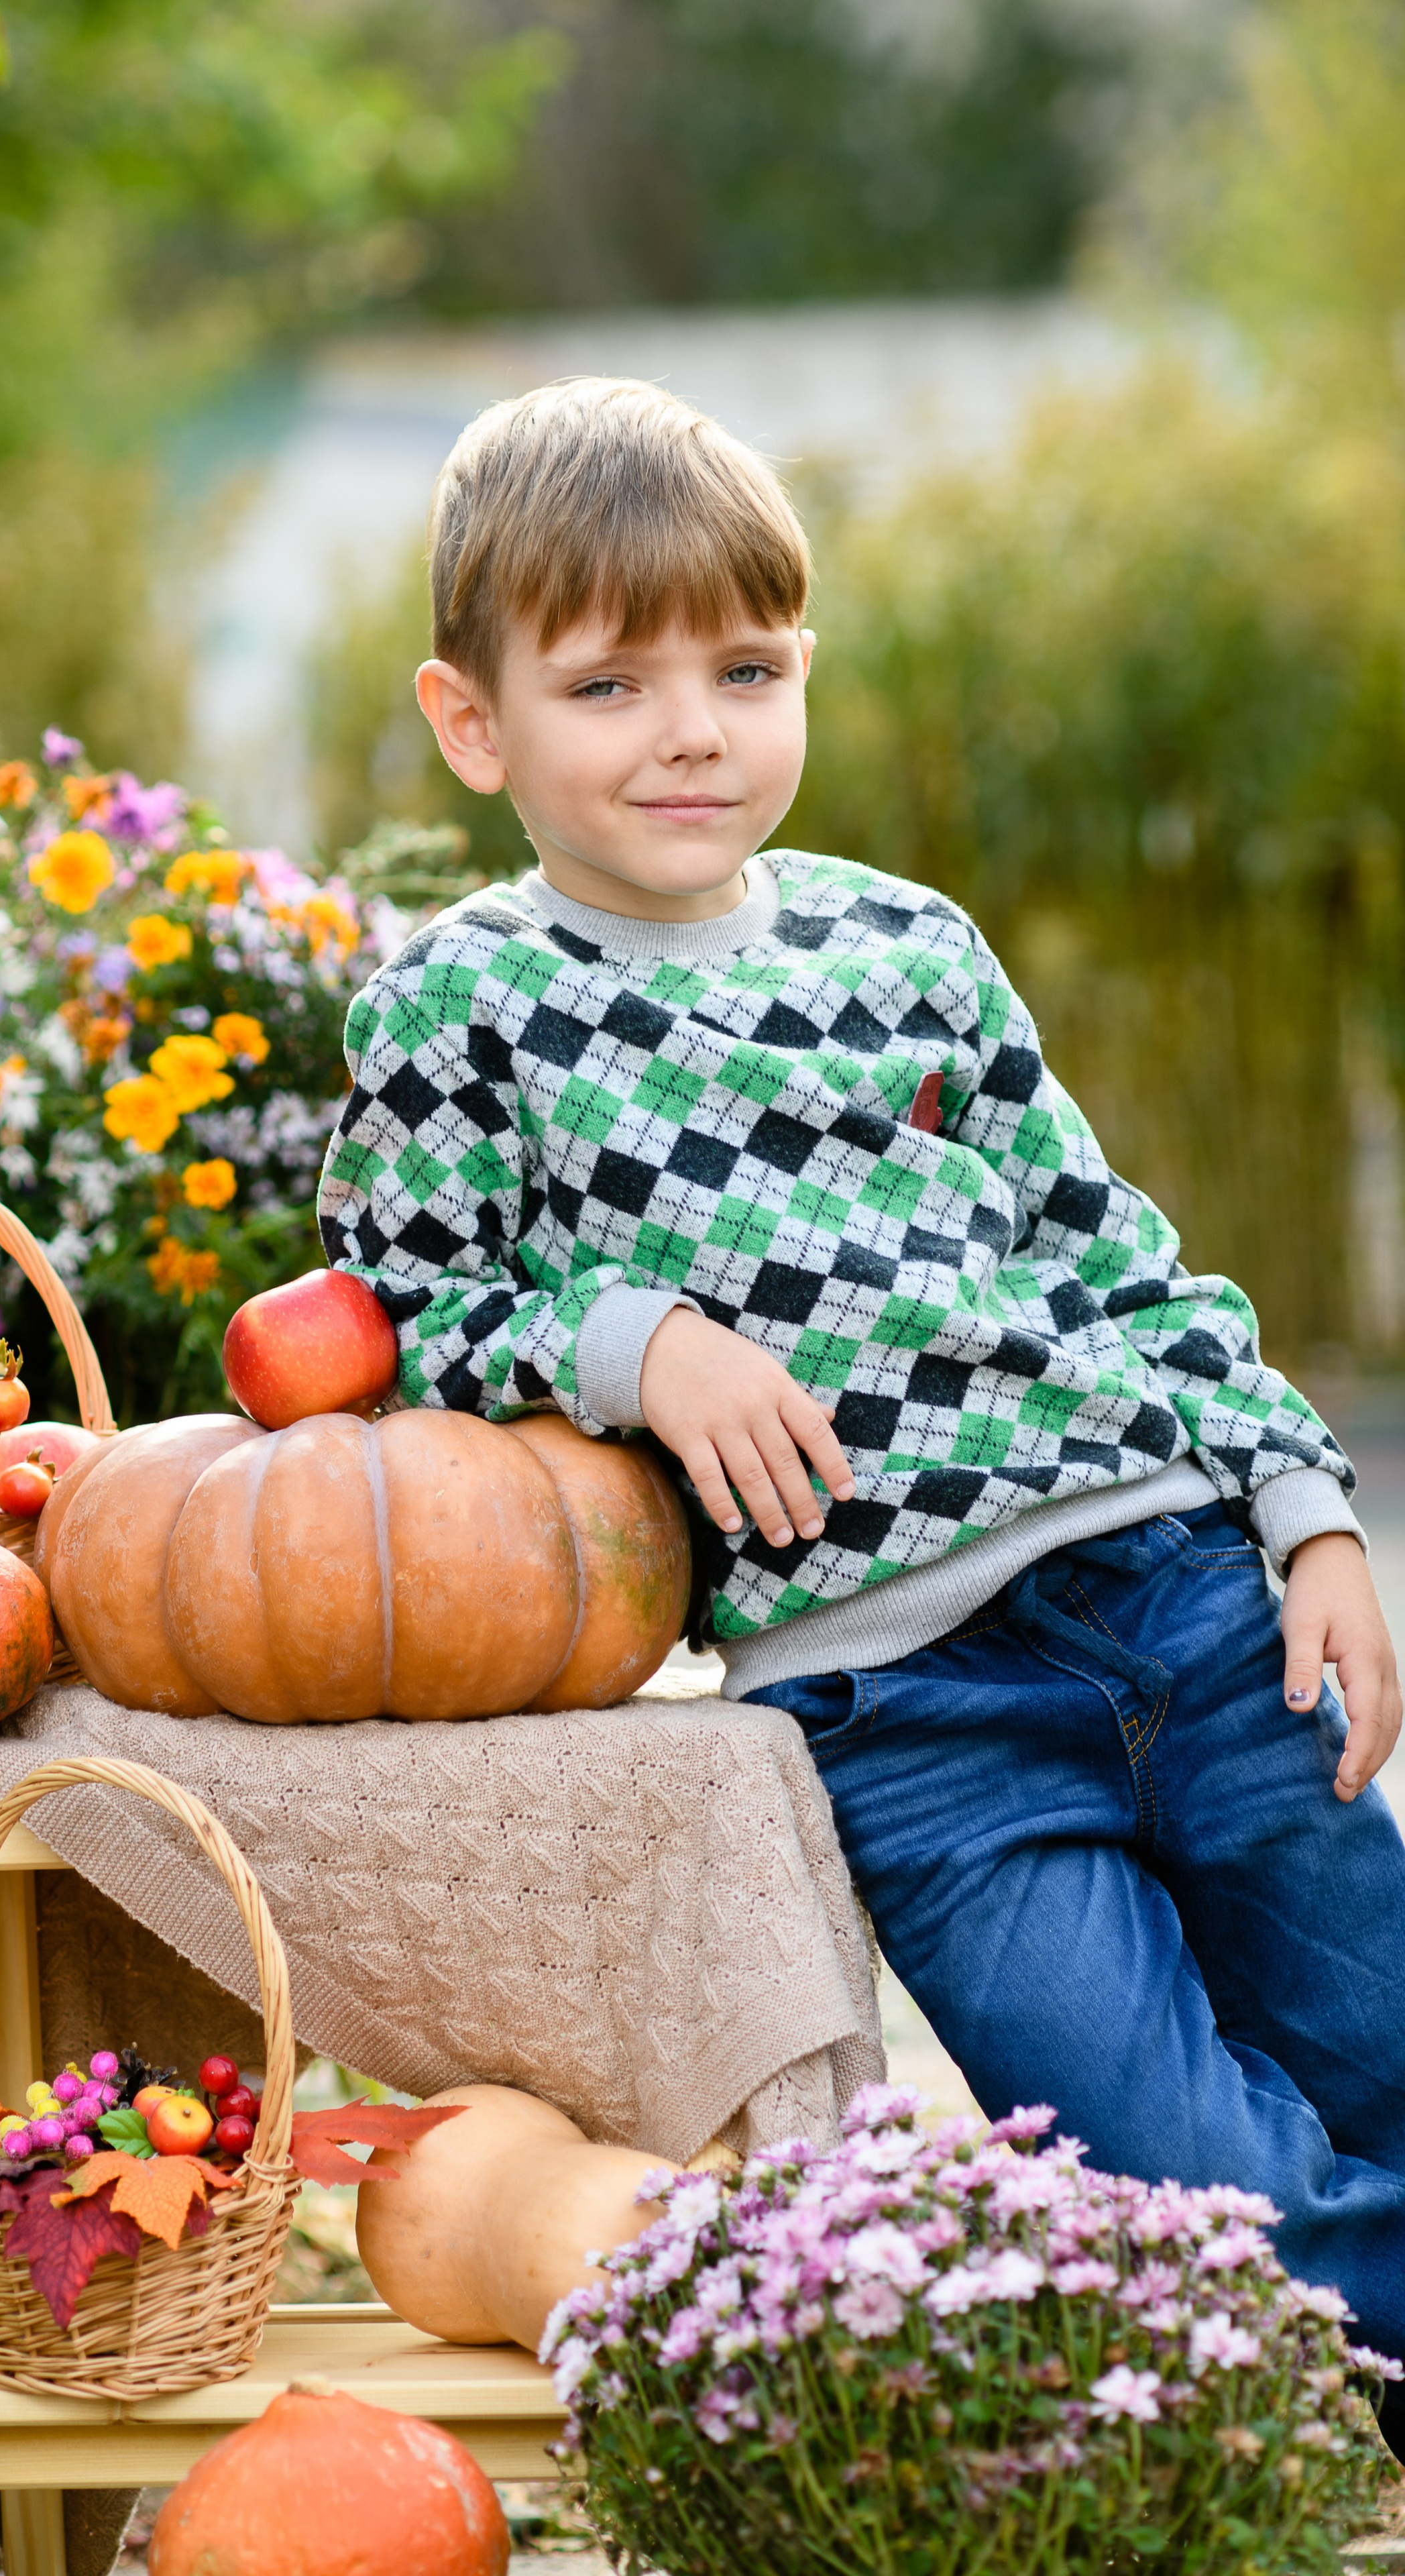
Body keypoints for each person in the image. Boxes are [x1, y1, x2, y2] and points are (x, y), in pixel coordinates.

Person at [317, 375, 1405, 2410]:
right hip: (900, 1718)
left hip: (1173, 1589)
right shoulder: (462, 1003)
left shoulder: (912, 946)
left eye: (745, 670)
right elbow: (399, 1315)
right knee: (1176, 2184)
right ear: (473, 724)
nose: (694, 731)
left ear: (801, 668)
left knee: (1386, 2048)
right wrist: (636, 1340)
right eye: (610, 685)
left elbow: (1109, 1249)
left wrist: (1303, 1509)